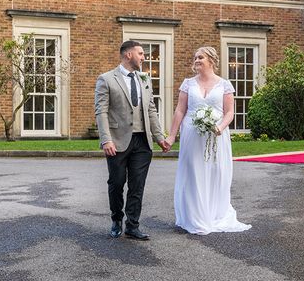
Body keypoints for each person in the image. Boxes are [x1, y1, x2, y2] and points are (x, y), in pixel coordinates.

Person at [165, 46, 251, 235]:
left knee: (215, 171)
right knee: (193, 172)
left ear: (211, 60)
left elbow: (229, 112)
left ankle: (214, 214)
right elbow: (180, 110)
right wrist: (172, 136)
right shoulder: (187, 84)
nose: (196, 60)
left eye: (200, 57)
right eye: (195, 57)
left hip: (217, 135)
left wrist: (220, 127)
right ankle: (194, 216)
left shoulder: (224, 85)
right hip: (191, 135)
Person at [95, 40, 170, 240]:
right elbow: (101, 111)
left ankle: (133, 225)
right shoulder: (106, 79)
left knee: (137, 185)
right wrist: (106, 140)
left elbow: (151, 109)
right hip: (117, 141)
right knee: (117, 183)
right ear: (128, 54)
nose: (144, 57)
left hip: (142, 142)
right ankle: (116, 219)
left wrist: (159, 137)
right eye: (141, 53)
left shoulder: (145, 79)